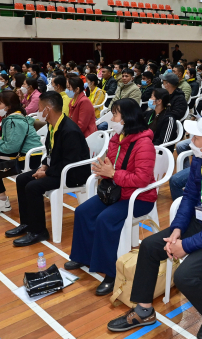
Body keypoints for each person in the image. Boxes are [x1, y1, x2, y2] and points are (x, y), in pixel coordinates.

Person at [108, 115, 202, 338]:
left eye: (196, 137)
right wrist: (177, 229)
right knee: (149, 246)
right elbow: (189, 198)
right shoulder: (201, 160)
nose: (191, 140)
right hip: (200, 223)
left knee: (184, 276)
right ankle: (144, 310)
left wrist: (186, 245)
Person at [65, 98, 157, 295]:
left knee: (105, 220)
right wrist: (102, 168)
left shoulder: (144, 144)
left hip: (138, 198)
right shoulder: (117, 138)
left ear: (127, 118)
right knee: (82, 211)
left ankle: (110, 273)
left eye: (115, 114)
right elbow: (111, 164)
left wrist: (113, 174)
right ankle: (83, 256)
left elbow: (142, 179)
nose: (112, 118)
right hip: (116, 193)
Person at [6, 92, 91, 247]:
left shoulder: (69, 130)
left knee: (33, 187)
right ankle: (27, 224)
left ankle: (39, 232)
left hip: (72, 174)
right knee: (22, 179)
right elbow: (50, 152)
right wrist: (44, 165)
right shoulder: (52, 126)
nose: (38, 112)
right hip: (58, 169)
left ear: (48, 109)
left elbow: (70, 162)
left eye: (39, 108)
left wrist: (46, 173)